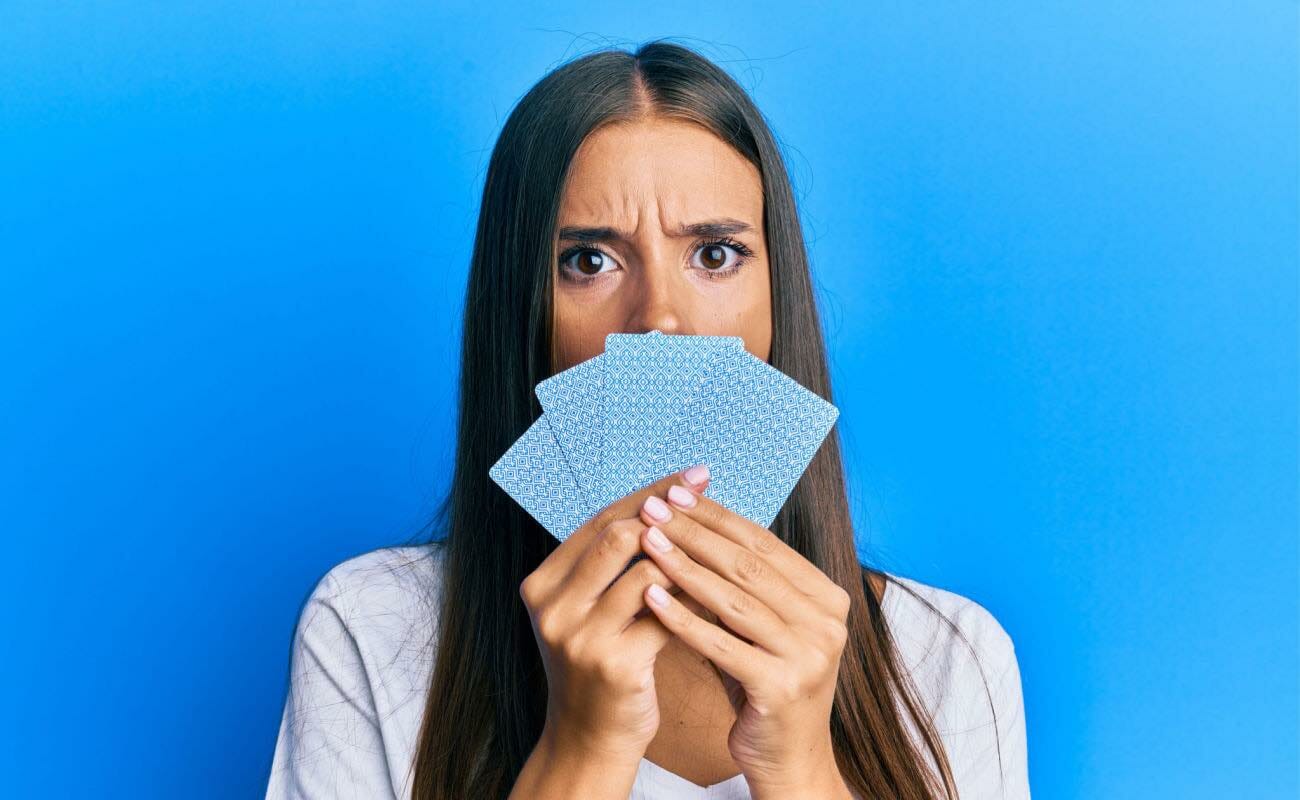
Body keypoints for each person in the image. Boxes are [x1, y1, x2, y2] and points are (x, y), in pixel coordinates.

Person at [263, 40, 1030, 800]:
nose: (659, 316)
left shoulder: (946, 654)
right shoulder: (373, 625)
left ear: (776, 297)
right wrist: (582, 749)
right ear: (524, 312)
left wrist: (801, 771)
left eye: (717, 254)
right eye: (590, 261)